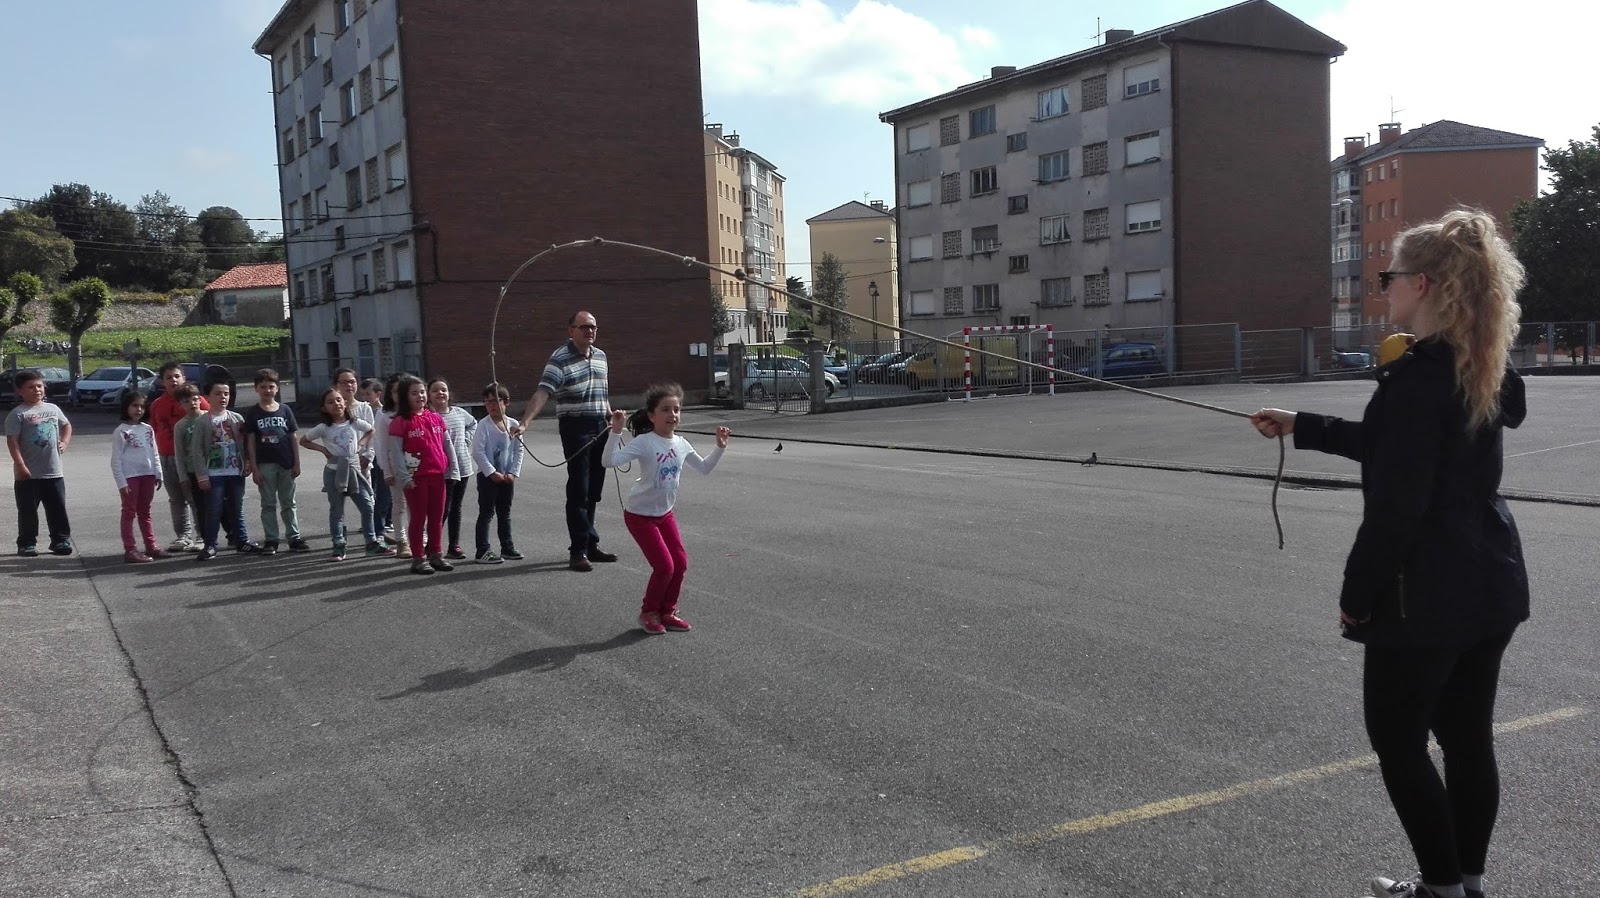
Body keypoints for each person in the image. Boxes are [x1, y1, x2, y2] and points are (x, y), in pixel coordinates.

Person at [1249, 210, 1529, 898]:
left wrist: (1357, 595)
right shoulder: (1478, 360)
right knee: (1467, 740)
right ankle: (1467, 881)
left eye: (1391, 277)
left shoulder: (1418, 377)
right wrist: (1303, 425)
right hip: (1489, 580)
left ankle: (1440, 890)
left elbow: (1397, 507)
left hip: (1425, 593)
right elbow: (1406, 448)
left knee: (1400, 744)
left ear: (1424, 283)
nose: (1386, 289)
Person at [602, 383, 729, 634]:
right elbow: (609, 461)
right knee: (664, 566)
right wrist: (615, 432)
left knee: (680, 563)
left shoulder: (681, 443)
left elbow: (703, 468)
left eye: (677, 410)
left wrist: (719, 448)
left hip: (664, 514)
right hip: (640, 516)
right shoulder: (645, 442)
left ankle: (667, 611)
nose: (672, 415)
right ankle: (649, 612)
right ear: (652, 415)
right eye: (666, 410)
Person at [520, 310, 615, 572]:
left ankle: (590, 543)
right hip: (576, 428)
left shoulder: (601, 356)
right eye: (583, 327)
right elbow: (543, 392)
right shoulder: (559, 359)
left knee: (594, 490)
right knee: (579, 490)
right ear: (570, 330)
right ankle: (578, 551)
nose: (590, 331)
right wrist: (526, 422)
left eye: (593, 327)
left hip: (600, 426)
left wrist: (610, 413)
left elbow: (601, 392)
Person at [300, 388, 392, 562]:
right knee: (337, 510)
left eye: (339, 400)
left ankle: (371, 542)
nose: (336, 404)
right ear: (324, 408)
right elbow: (304, 441)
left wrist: (361, 445)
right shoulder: (324, 427)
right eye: (330, 402)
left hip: (355, 471)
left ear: (345, 403)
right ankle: (338, 543)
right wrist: (323, 450)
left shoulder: (353, 422)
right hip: (335, 472)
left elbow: (371, 430)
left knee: (367, 506)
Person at [189, 381, 261, 561]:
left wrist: (248, 463)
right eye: (218, 393)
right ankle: (211, 545)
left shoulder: (236, 418)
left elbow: (245, 444)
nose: (223, 397)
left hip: (235, 471)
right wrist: (201, 474)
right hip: (214, 474)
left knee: (237, 508)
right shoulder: (202, 421)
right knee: (214, 509)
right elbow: (197, 450)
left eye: (226, 394)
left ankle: (242, 541)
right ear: (207, 397)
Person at [387, 374, 451, 575]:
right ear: (405, 397)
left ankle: (436, 554)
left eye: (422, 392)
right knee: (418, 518)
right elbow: (395, 452)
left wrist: (452, 469)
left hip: (437, 476)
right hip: (416, 479)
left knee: (436, 518)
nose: (420, 396)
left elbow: (446, 445)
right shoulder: (400, 422)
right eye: (414, 393)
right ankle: (418, 557)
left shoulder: (435, 418)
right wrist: (404, 477)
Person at [6, 368, 74, 556]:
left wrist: (64, 441)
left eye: (39, 386)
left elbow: (66, 425)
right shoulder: (18, 414)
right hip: (28, 474)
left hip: (53, 471)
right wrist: (20, 466)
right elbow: (12, 442)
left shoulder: (53, 409)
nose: (37, 390)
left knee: (57, 508)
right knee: (28, 511)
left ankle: (60, 540)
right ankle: (27, 543)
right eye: (31, 387)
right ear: (20, 391)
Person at [242, 368, 308, 555]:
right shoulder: (253, 413)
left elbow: (292, 437)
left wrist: (297, 462)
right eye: (263, 387)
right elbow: (251, 441)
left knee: (288, 502)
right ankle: (271, 539)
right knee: (268, 503)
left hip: (286, 462)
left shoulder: (285, 410)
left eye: (271, 386)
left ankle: (294, 537)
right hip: (265, 464)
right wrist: (254, 467)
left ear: (277, 389)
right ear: (256, 389)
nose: (267, 390)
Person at [149, 361, 208, 551]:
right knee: (176, 500)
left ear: (183, 378)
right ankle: (183, 536)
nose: (173, 380)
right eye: (168, 377)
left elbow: (209, 421)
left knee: (195, 499)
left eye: (176, 376)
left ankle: (202, 536)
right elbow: (154, 430)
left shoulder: (197, 400)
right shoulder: (157, 405)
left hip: (191, 460)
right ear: (161, 382)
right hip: (167, 458)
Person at [109, 389, 171, 563]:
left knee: (145, 512)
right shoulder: (121, 432)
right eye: (134, 406)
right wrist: (122, 483)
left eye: (142, 407)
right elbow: (116, 461)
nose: (138, 410)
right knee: (129, 512)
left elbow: (154, 452)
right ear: (126, 407)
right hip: (130, 478)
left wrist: (158, 473)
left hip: (148, 475)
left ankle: (151, 546)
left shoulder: (148, 429)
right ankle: (130, 549)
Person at [469, 382, 523, 564]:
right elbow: (478, 452)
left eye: (495, 401)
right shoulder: (483, 425)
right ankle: (482, 550)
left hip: (507, 477)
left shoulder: (514, 425)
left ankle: (507, 547)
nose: (491, 405)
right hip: (488, 478)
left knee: (504, 513)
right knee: (486, 512)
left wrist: (513, 472)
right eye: (487, 402)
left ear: (506, 402)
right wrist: (491, 473)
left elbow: (518, 450)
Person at [428, 377, 477, 560]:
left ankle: (453, 545)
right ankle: (433, 545)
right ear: (429, 397)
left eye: (443, 390)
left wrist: (465, 440)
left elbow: (473, 424)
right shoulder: (429, 417)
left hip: (462, 467)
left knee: (456, 507)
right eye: (435, 390)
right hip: (441, 470)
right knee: (442, 509)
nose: (440, 393)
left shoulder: (459, 413)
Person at [170, 385, 209, 545]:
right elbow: (179, 453)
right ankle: (202, 536)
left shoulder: (209, 417)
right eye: (187, 401)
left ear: (200, 399)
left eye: (195, 399)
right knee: (198, 505)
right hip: (193, 471)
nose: (192, 403)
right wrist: (183, 476)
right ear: (181, 404)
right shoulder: (180, 426)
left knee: (219, 504)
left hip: (213, 469)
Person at [375, 373, 409, 556]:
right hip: (395, 467)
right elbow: (380, 445)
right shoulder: (384, 415)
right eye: (395, 391)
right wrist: (386, 471)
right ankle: (401, 540)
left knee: (418, 506)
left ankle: (420, 539)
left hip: (417, 465)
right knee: (399, 505)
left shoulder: (416, 411)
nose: (399, 395)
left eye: (403, 391)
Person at [361, 377, 393, 542]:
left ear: (378, 394)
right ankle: (374, 521)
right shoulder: (365, 410)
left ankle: (387, 521)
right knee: (371, 489)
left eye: (368, 394)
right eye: (363, 394)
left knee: (385, 491)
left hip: (383, 456)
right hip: (371, 456)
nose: (365, 397)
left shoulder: (382, 412)